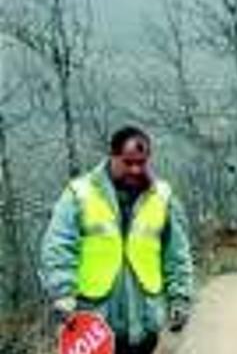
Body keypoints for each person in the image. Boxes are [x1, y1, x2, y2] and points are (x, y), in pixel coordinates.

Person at [40, 126, 195, 354]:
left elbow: (177, 254)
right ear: (112, 156)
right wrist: (63, 294)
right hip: (95, 327)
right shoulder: (79, 193)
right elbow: (58, 248)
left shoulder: (162, 197)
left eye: (142, 162)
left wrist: (180, 297)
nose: (135, 169)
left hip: (146, 323)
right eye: (128, 162)